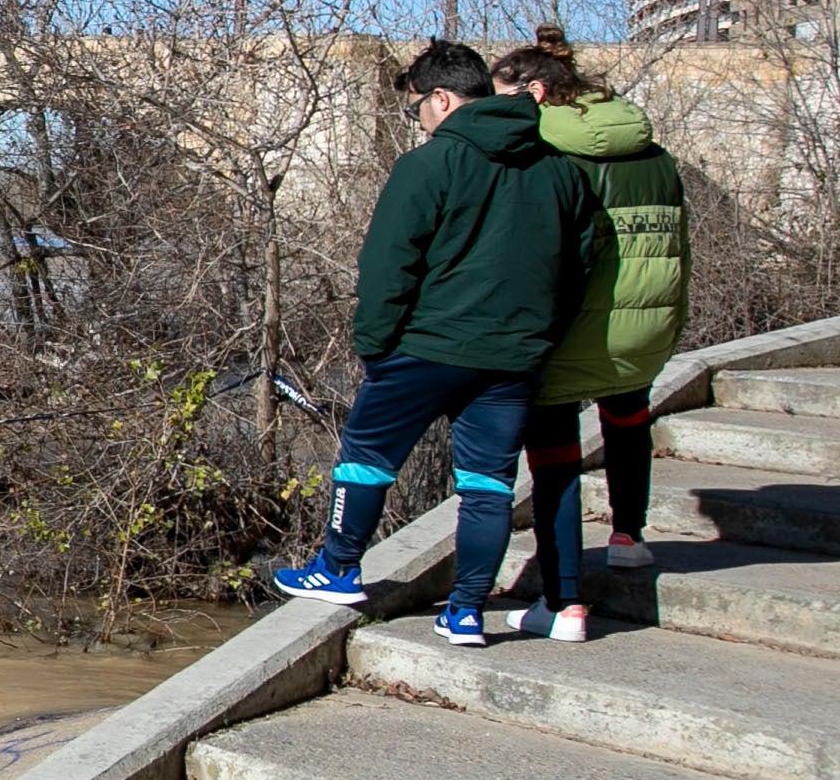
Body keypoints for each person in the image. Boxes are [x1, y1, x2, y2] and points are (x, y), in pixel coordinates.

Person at [271, 38, 609, 644]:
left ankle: (339, 568)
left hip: (424, 348)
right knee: (487, 485)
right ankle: (467, 612)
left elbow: (388, 265)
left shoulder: (429, 165)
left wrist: (375, 347)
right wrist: (539, 336)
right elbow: (584, 264)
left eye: (416, 109)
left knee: (364, 460)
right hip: (513, 359)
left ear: (442, 99)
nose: (417, 121)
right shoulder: (562, 172)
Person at [494, 41, 689, 638]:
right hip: (648, 324)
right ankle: (629, 534)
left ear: (535, 93)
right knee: (628, 416)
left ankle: (566, 602)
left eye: (504, 102)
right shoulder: (656, 154)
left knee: (554, 458)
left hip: (575, 328)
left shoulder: (545, 154)